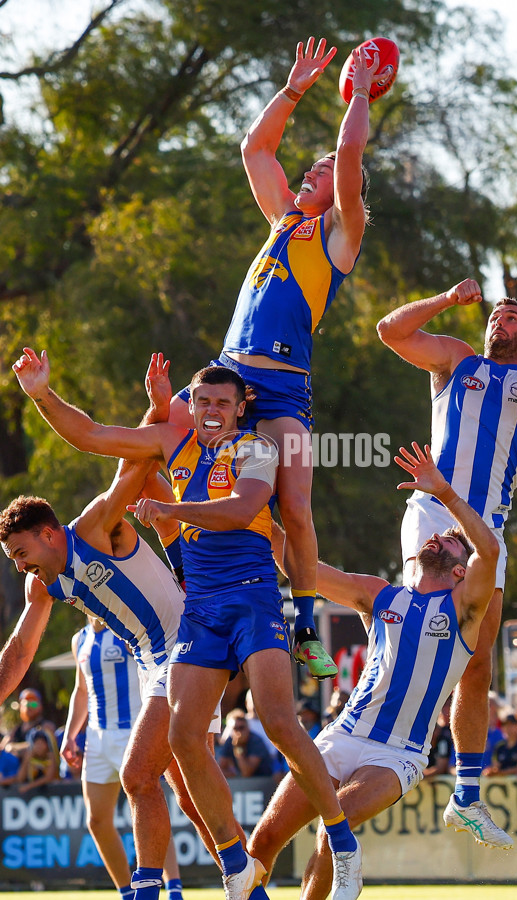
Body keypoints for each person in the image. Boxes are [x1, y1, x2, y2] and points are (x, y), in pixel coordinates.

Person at [12, 347, 362, 900]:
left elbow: (238, 510)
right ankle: (235, 867)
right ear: (190, 406)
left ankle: (342, 844)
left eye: (223, 402)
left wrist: (172, 512)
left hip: (251, 598)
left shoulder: (257, 447)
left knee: (276, 720)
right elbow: (93, 435)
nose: (211, 411)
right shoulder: (172, 444)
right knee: (179, 742)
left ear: (240, 406)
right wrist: (40, 394)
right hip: (200, 609)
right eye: (201, 402)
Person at [169, 36, 380, 681]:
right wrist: (295, 88)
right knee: (161, 434)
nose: (311, 170)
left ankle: (307, 627)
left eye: (320, 171)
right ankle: (186, 576)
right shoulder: (280, 223)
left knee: (293, 506)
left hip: (283, 388)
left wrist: (362, 93)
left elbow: (348, 152)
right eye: (311, 167)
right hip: (230, 376)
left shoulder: (341, 236)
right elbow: (254, 150)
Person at [2, 352, 224, 900]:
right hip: (157, 660)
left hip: (187, 644)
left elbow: (141, 462)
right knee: (193, 802)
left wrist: (46, 396)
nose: (18, 565)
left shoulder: (98, 528)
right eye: (11, 558)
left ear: (51, 533)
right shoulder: (41, 586)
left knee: (136, 777)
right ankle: (247, 878)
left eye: (21, 552)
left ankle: (147, 890)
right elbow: (19, 654)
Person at [376, 271, 517, 846]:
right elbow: (390, 331)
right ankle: (389, 734)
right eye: (495, 314)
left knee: (477, 661)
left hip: (486, 530)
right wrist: (444, 299)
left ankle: (466, 794)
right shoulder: (459, 362)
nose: (500, 319)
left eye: (513, 316)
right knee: (427, 625)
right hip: (433, 511)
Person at [247, 439, 504, 899]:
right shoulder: (381, 594)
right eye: (436, 534)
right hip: (342, 735)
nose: (434, 537)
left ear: (461, 571)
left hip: (397, 754)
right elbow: (299, 565)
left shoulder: (465, 609)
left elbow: (489, 549)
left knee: (334, 831)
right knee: (262, 843)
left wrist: (444, 494)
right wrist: (264, 507)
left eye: (446, 540)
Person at [62, 616, 184, 900]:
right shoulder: (79, 639)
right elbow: (81, 691)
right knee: (97, 820)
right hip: (96, 738)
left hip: (134, 731)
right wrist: (70, 735)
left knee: (148, 810)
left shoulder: (125, 627)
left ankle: (174, 888)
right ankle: (127, 893)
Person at [218, 710, 273, 779]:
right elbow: (220, 769)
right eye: (235, 728)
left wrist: (238, 747)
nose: (238, 732)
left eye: (241, 728)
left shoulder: (256, 741)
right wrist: (233, 774)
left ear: (248, 727)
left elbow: (247, 772)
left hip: (263, 781)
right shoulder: (230, 741)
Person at [15, 727, 59, 793]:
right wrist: (27, 760)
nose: (39, 747)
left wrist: (29, 786)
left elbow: (49, 778)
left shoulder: (51, 756)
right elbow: (20, 778)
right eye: (37, 744)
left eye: (42, 743)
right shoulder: (31, 757)